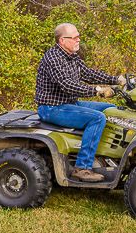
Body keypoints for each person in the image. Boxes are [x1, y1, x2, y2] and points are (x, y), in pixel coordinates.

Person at [35, 23, 126, 182]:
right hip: (52, 108)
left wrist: (116, 80)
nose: (79, 40)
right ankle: (82, 167)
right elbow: (68, 85)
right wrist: (97, 91)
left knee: (110, 109)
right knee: (97, 118)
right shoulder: (53, 58)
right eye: (75, 37)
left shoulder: (72, 56)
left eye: (78, 36)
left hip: (69, 104)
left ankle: (103, 157)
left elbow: (89, 74)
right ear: (63, 40)